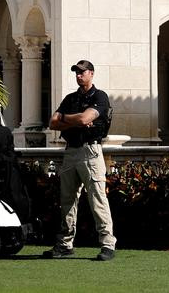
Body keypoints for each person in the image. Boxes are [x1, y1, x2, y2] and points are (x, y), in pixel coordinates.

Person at [43, 60, 117, 261]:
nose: (78, 75)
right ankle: (65, 244)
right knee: (67, 200)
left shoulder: (100, 96)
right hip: (70, 151)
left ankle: (107, 244)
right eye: (76, 72)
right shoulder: (70, 98)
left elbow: (85, 119)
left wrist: (66, 119)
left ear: (91, 73)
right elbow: (53, 123)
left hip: (90, 152)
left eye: (82, 72)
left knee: (97, 199)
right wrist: (77, 119)